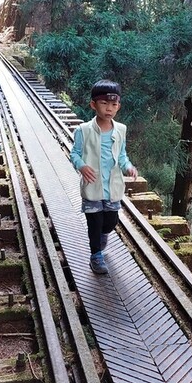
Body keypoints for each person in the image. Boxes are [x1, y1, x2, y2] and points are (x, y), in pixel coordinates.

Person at [70, 80, 138, 274]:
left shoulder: (121, 130)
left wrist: (129, 167)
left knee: (110, 222)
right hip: (92, 185)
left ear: (119, 106)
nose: (109, 109)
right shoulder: (83, 130)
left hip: (113, 186)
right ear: (93, 105)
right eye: (104, 104)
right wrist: (81, 166)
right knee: (95, 222)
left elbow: (122, 155)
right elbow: (74, 154)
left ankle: (102, 236)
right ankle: (96, 256)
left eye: (114, 105)